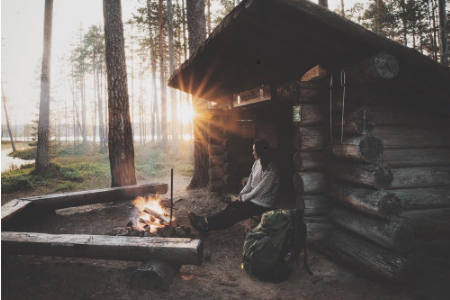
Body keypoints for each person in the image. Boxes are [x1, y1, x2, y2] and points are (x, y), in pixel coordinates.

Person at [188, 138, 280, 237]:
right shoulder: (257, 163)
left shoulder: (271, 171)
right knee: (231, 207)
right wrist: (242, 193)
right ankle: (205, 221)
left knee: (235, 213)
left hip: (263, 203)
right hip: (253, 199)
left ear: (260, 151)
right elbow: (250, 181)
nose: (252, 153)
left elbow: (260, 190)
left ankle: (206, 224)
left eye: (254, 150)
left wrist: (245, 197)